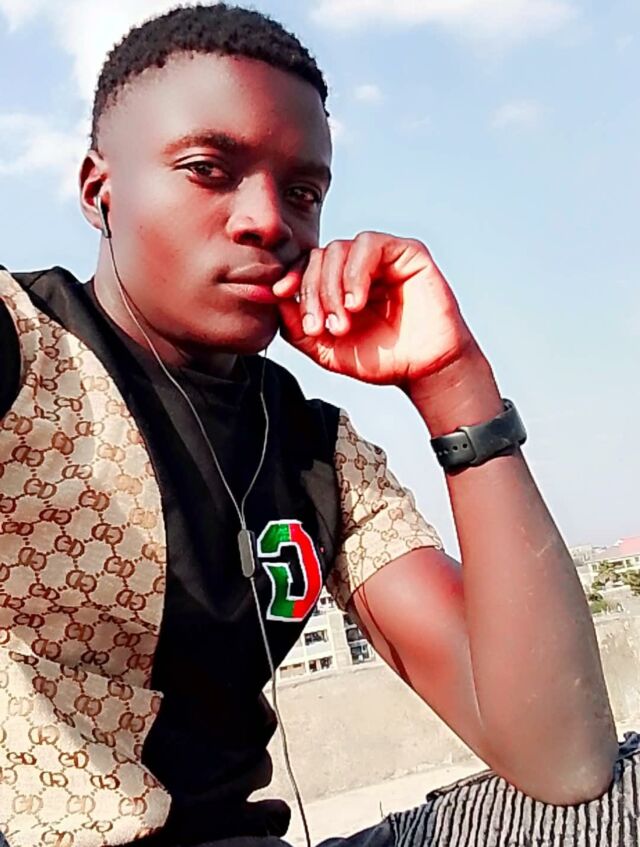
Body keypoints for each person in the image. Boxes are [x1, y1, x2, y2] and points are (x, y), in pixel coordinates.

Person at [0, 4, 636, 847]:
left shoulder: (318, 454)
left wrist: (453, 382)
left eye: (303, 192)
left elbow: (565, 764)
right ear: (98, 190)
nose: (270, 220)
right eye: (208, 169)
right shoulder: (24, 346)